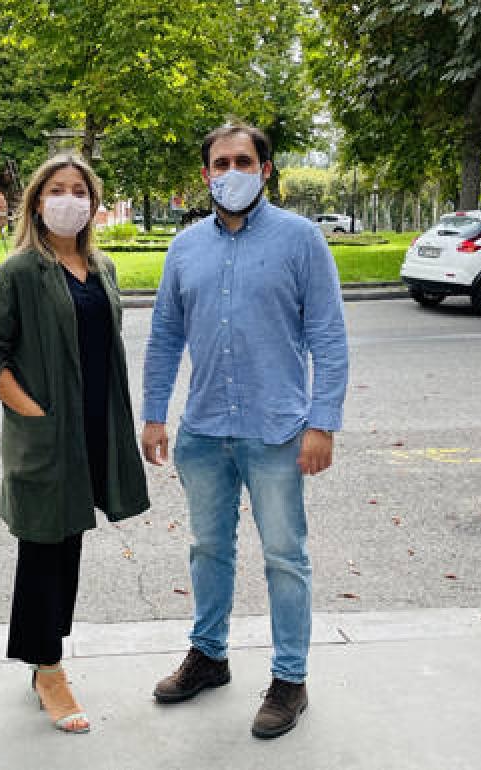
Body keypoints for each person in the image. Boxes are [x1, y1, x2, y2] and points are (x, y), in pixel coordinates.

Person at [141, 124, 349, 740]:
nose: (230, 171)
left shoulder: (301, 241)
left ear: (265, 169)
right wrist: (155, 414)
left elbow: (329, 340)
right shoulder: (185, 248)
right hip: (204, 431)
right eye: (220, 162)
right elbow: (163, 337)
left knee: (285, 556)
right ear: (206, 174)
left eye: (243, 160)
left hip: (277, 431)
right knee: (209, 549)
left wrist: (324, 423)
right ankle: (209, 655)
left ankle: (291, 679)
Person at [0, 154, 150, 735]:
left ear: (93, 204)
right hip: (48, 436)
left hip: (95, 431)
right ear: (37, 201)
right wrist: (33, 412)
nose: (68, 199)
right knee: (45, 548)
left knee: (66, 546)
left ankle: (41, 653)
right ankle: (50, 668)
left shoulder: (103, 269)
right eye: (56, 189)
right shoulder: (20, 271)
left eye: (79, 190)